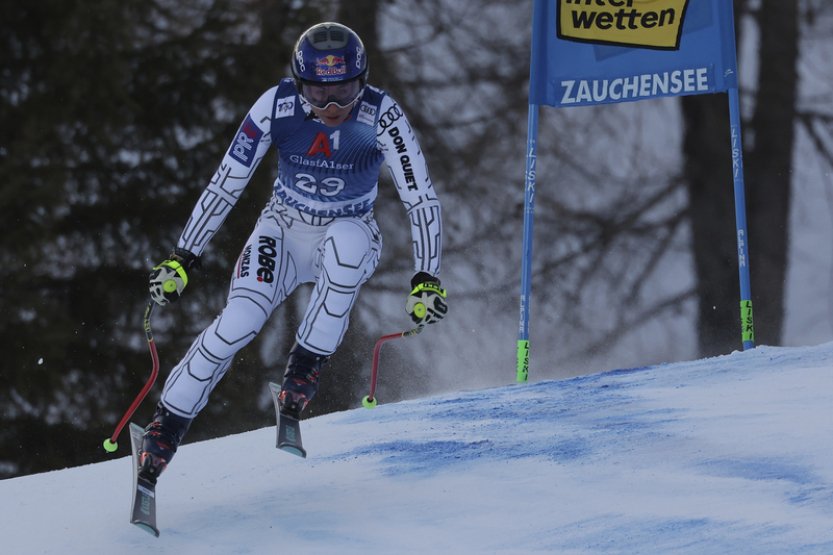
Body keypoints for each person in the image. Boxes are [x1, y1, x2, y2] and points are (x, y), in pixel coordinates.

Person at [140, 22, 447, 483]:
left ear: (362, 81)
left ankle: (304, 367)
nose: (332, 106)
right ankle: (166, 427)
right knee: (238, 321)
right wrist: (183, 256)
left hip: (350, 228)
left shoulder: (382, 115)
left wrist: (426, 279)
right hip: (282, 228)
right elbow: (227, 183)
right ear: (300, 85)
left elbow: (419, 195)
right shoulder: (276, 106)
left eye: (345, 90)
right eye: (318, 93)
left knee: (345, 251)